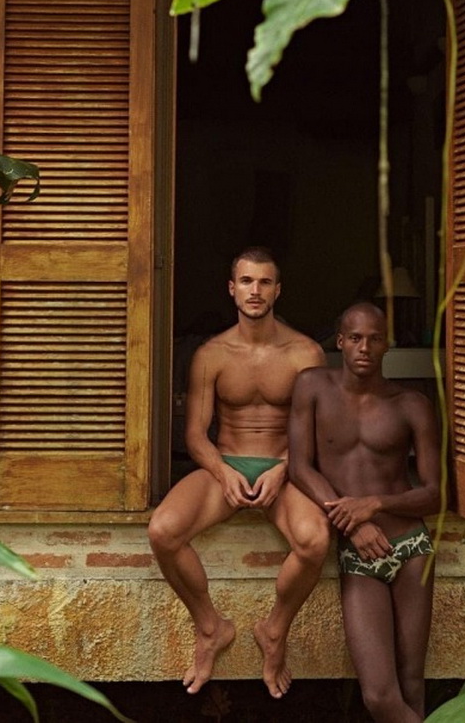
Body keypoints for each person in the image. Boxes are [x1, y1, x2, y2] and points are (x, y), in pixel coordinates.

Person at [148, 247, 330, 699]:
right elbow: (195, 435)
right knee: (163, 531)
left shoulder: (305, 353)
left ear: (278, 290)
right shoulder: (211, 354)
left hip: (285, 468)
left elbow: (318, 432)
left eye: (265, 282)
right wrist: (222, 472)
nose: (255, 291)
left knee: (315, 541)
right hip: (226, 464)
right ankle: (210, 627)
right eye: (246, 281)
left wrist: (284, 469)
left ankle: (274, 631)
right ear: (232, 289)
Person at [288, 302, 441, 722]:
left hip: (410, 547)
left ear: (387, 345)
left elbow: (435, 495)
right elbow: (300, 468)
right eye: (355, 338)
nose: (364, 348)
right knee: (379, 695)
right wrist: (352, 525)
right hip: (360, 553)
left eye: (375, 339)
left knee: (412, 683)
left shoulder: (411, 404)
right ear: (340, 341)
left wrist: (373, 504)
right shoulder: (312, 387)